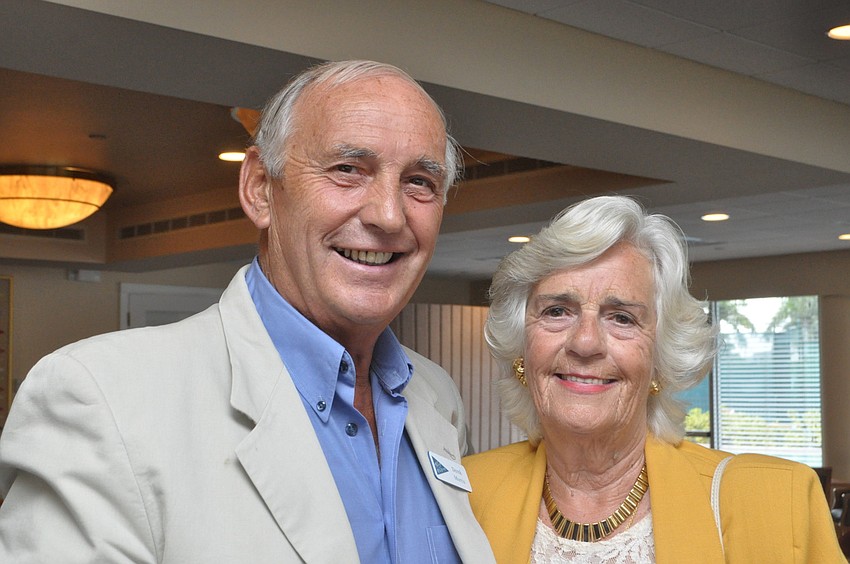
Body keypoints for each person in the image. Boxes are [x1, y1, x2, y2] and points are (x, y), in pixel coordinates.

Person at [0, 60, 495, 563]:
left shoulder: (436, 396)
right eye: (348, 170)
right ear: (260, 189)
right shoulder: (101, 398)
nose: (389, 216)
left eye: (419, 182)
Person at [464, 196, 843, 563]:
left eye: (622, 317)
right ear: (521, 351)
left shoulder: (776, 502)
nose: (585, 342)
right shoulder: (463, 494)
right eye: (557, 310)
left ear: (661, 359)